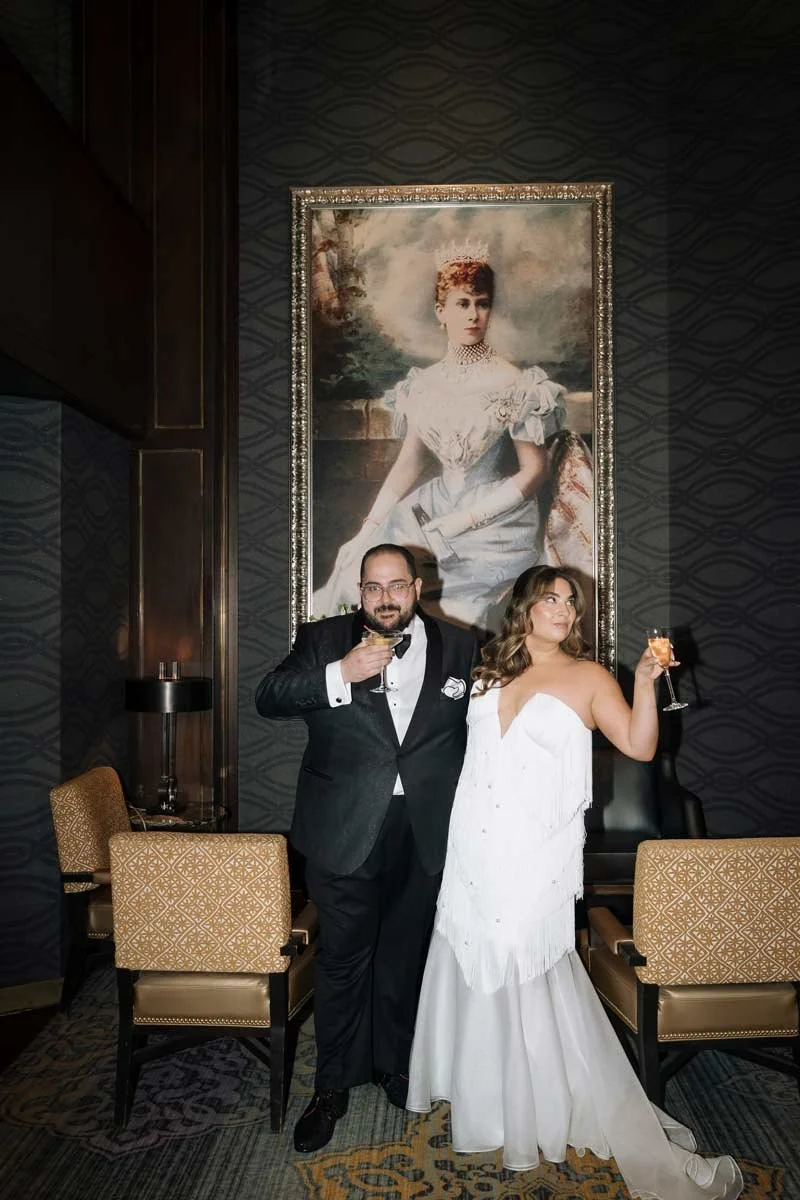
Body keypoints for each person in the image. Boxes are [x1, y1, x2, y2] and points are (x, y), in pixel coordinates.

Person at [406, 565, 743, 1199]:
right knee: (476, 955)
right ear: (523, 607)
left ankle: (540, 1104)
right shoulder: (486, 671)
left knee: (527, 960)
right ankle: (489, 1099)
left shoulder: (589, 676)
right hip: (474, 844)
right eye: (550, 599)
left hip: (537, 850)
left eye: (571, 601)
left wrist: (644, 682)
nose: (563, 609)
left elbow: (640, 746)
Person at [255, 543, 479, 1153]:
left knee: (405, 956)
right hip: (343, 826)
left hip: (426, 829)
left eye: (397, 585)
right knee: (344, 959)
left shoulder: (461, 647)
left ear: (417, 587)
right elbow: (269, 697)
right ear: (360, 590)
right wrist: (340, 674)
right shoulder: (323, 640)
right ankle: (332, 1085)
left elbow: (482, 725)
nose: (385, 598)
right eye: (373, 587)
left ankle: (393, 1066)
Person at [312, 241, 568, 632]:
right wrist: (366, 528)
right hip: (431, 507)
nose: (474, 315)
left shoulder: (516, 383)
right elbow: (409, 463)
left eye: (482, 304)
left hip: (495, 523)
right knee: (357, 569)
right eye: (462, 304)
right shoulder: (423, 385)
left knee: (452, 609)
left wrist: (463, 521)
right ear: (440, 312)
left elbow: (534, 471)